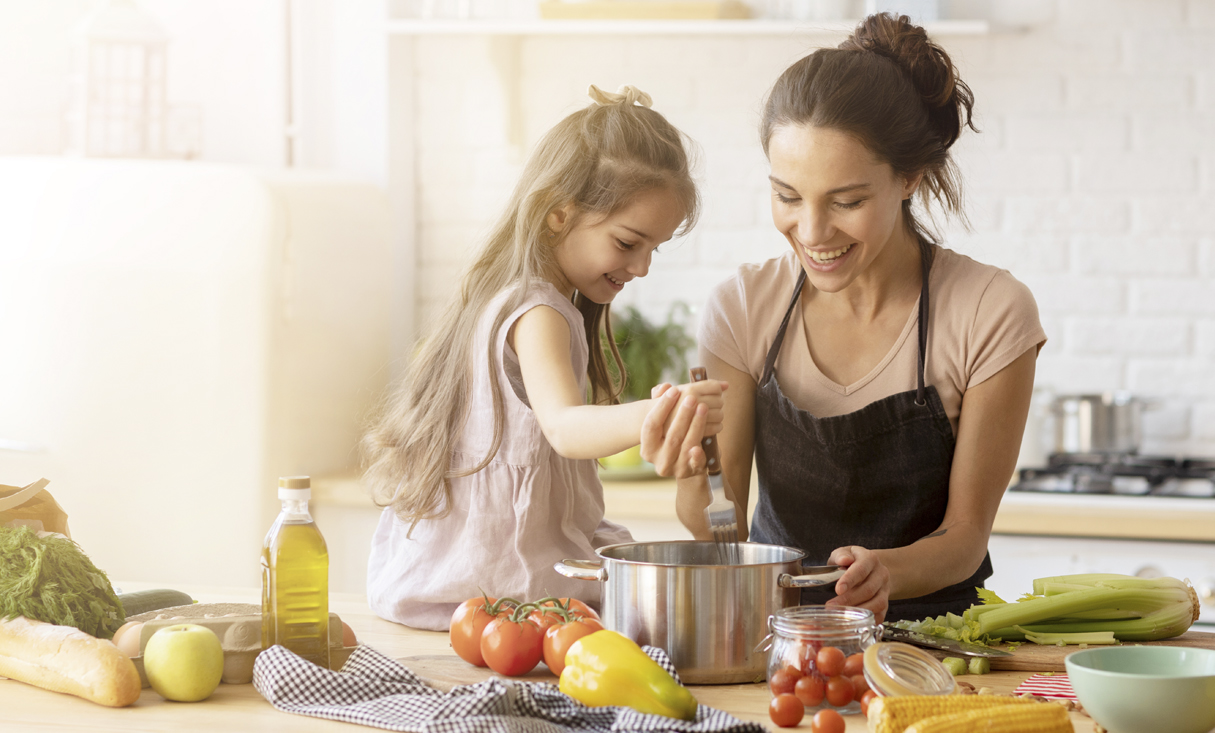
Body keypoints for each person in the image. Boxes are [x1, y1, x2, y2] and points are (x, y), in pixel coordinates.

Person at [666, 15, 1046, 623]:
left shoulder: (988, 311)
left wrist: (887, 572)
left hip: (937, 640)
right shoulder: (742, 308)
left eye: (847, 202)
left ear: (908, 179)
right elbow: (724, 530)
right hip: (778, 641)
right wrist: (694, 476)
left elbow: (965, 536)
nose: (813, 233)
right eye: (787, 197)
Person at [362, 85, 724, 631]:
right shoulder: (540, 310)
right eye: (628, 243)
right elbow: (564, 427)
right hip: (503, 591)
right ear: (559, 214)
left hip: (456, 586)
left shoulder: (507, 295)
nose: (643, 266)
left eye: (655, 248)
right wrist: (660, 409)